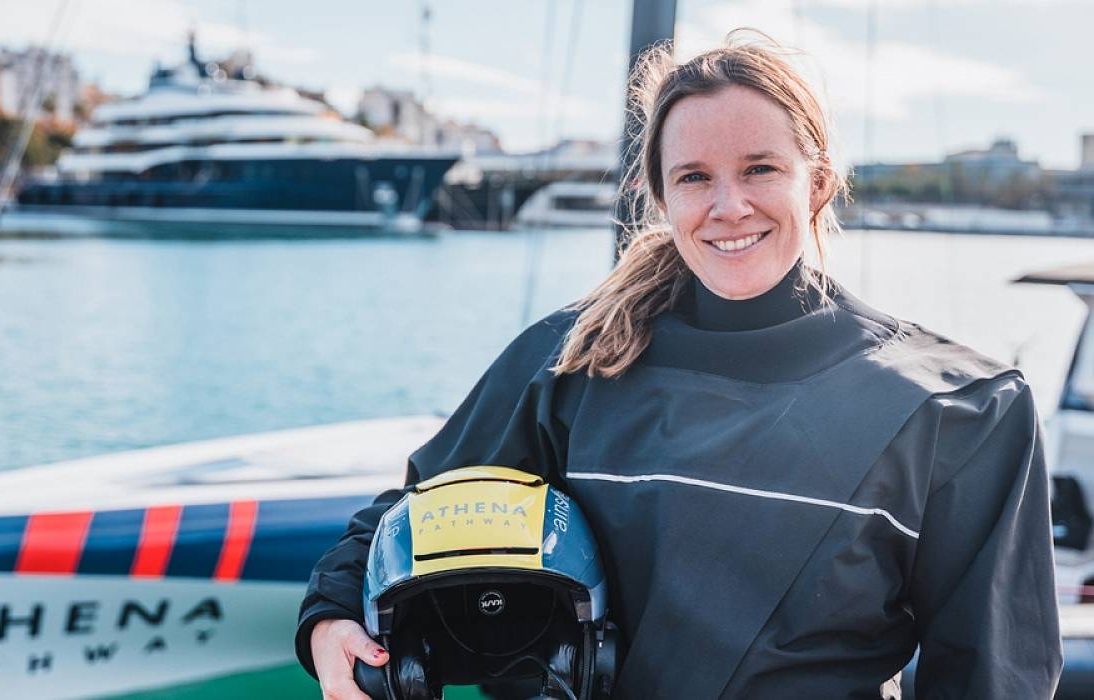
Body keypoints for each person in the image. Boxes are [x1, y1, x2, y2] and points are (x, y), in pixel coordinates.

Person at [297, 32, 1063, 699]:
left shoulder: (959, 411)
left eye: (760, 168)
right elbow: (411, 511)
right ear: (661, 198)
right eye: (694, 177)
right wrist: (330, 617)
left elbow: (996, 677)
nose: (728, 206)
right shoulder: (575, 359)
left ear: (819, 183)